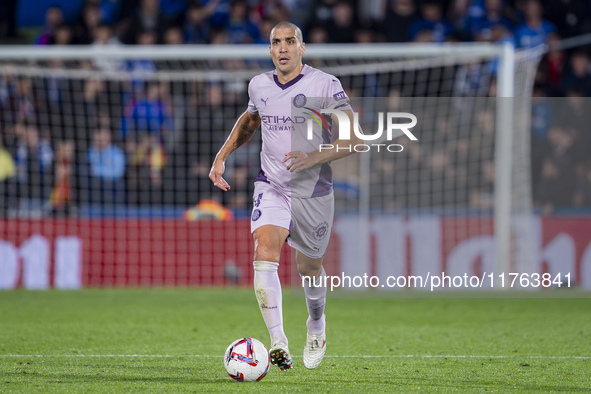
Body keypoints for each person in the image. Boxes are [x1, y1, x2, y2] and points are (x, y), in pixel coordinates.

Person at [209, 21, 360, 371]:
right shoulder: (259, 85)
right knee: (264, 254)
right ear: (271, 48)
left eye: (290, 41)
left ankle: (316, 325)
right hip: (271, 185)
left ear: (301, 48)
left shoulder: (325, 84)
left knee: (309, 269)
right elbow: (249, 121)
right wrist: (222, 155)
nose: (282, 48)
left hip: (313, 192)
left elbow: (354, 139)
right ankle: (278, 340)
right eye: (276, 42)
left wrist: (313, 156)